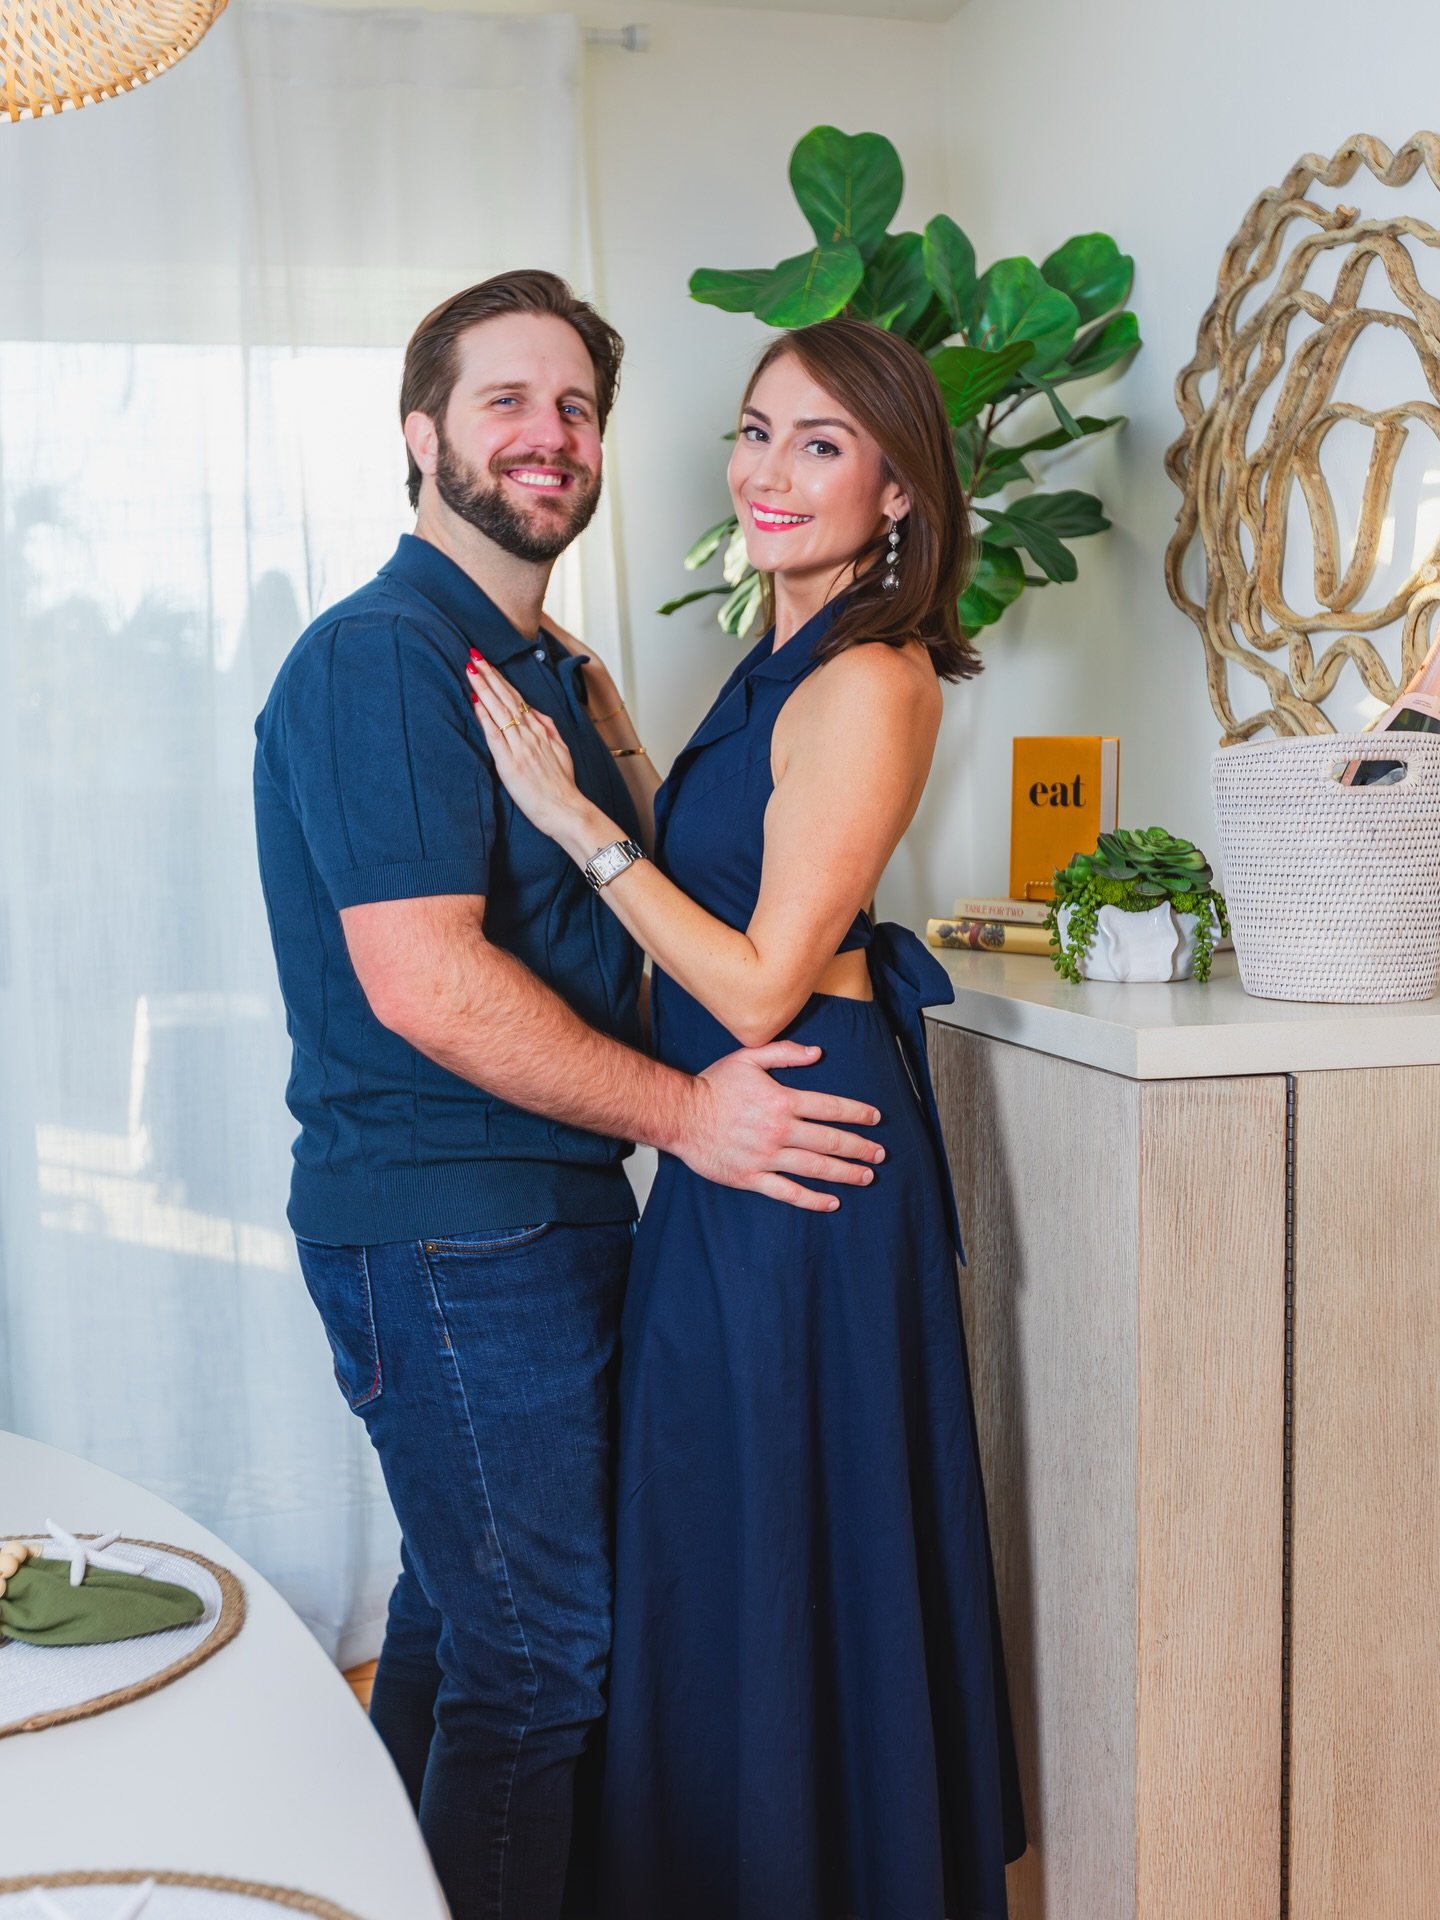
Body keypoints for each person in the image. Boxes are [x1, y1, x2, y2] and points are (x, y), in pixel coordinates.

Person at [251, 271, 886, 1920]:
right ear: (421, 436)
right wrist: (690, 1120)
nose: (549, 436)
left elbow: (629, 930)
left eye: (576, 409)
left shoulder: (536, 674)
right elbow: (427, 983)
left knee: (476, 1629)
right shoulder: (384, 660)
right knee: (547, 1664)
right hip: (458, 1230)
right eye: (505, 403)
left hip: (549, 1216)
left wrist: (616, 754)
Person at [464, 316, 1027, 1920]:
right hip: (738, 1136)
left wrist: (573, 821)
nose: (769, 472)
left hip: (794, 1141)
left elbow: (770, 975)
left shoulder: (871, 672)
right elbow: (726, 864)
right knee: (732, 1532)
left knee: (784, 1535)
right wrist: (615, 735)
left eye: (823, 444)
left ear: (903, 490)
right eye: (756, 430)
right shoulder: (780, 654)